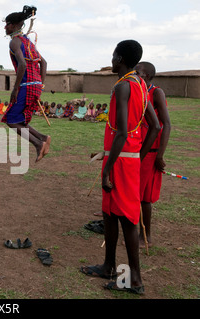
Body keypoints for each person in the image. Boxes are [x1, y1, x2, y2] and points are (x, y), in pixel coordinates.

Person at [80, 40, 160, 295]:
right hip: (127, 159)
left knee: (126, 218)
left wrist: (106, 169)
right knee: (110, 214)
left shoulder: (124, 86)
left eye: (114, 55)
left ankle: (134, 279)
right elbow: (155, 126)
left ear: (120, 58)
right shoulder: (140, 85)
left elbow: (123, 132)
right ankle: (108, 266)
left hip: (119, 163)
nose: (111, 59)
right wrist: (136, 155)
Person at [1, 5, 51, 162]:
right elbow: (43, 63)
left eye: (7, 23)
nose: (5, 27)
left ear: (15, 25)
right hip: (34, 85)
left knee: (11, 120)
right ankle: (43, 137)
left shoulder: (15, 42)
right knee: (19, 120)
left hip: (26, 85)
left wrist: (14, 89)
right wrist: (39, 85)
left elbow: (22, 64)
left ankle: (38, 144)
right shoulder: (28, 42)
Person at [135, 61, 171, 248]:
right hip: (138, 150)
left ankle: (145, 236)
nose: (135, 75)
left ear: (147, 76)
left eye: (138, 73)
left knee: (144, 197)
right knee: (137, 194)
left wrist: (159, 156)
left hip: (150, 153)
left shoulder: (156, 93)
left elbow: (166, 124)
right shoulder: (138, 92)